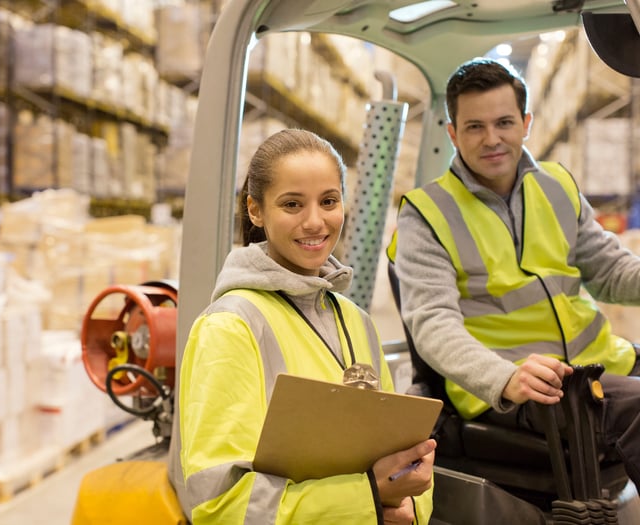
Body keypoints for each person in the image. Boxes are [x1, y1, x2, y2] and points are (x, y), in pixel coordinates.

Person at [387, 58, 640, 487]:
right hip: (516, 387)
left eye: (504, 122)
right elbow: (432, 324)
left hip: (598, 364)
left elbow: (610, 271)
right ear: (453, 133)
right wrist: (502, 378)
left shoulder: (557, 185)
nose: (492, 139)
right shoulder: (427, 214)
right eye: (474, 127)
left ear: (526, 123)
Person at [170, 128, 436, 524]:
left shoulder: (356, 321)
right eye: (292, 204)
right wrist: (370, 500)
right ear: (256, 210)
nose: (315, 221)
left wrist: (411, 501)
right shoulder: (230, 327)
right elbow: (221, 504)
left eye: (328, 201)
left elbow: (400, 450)